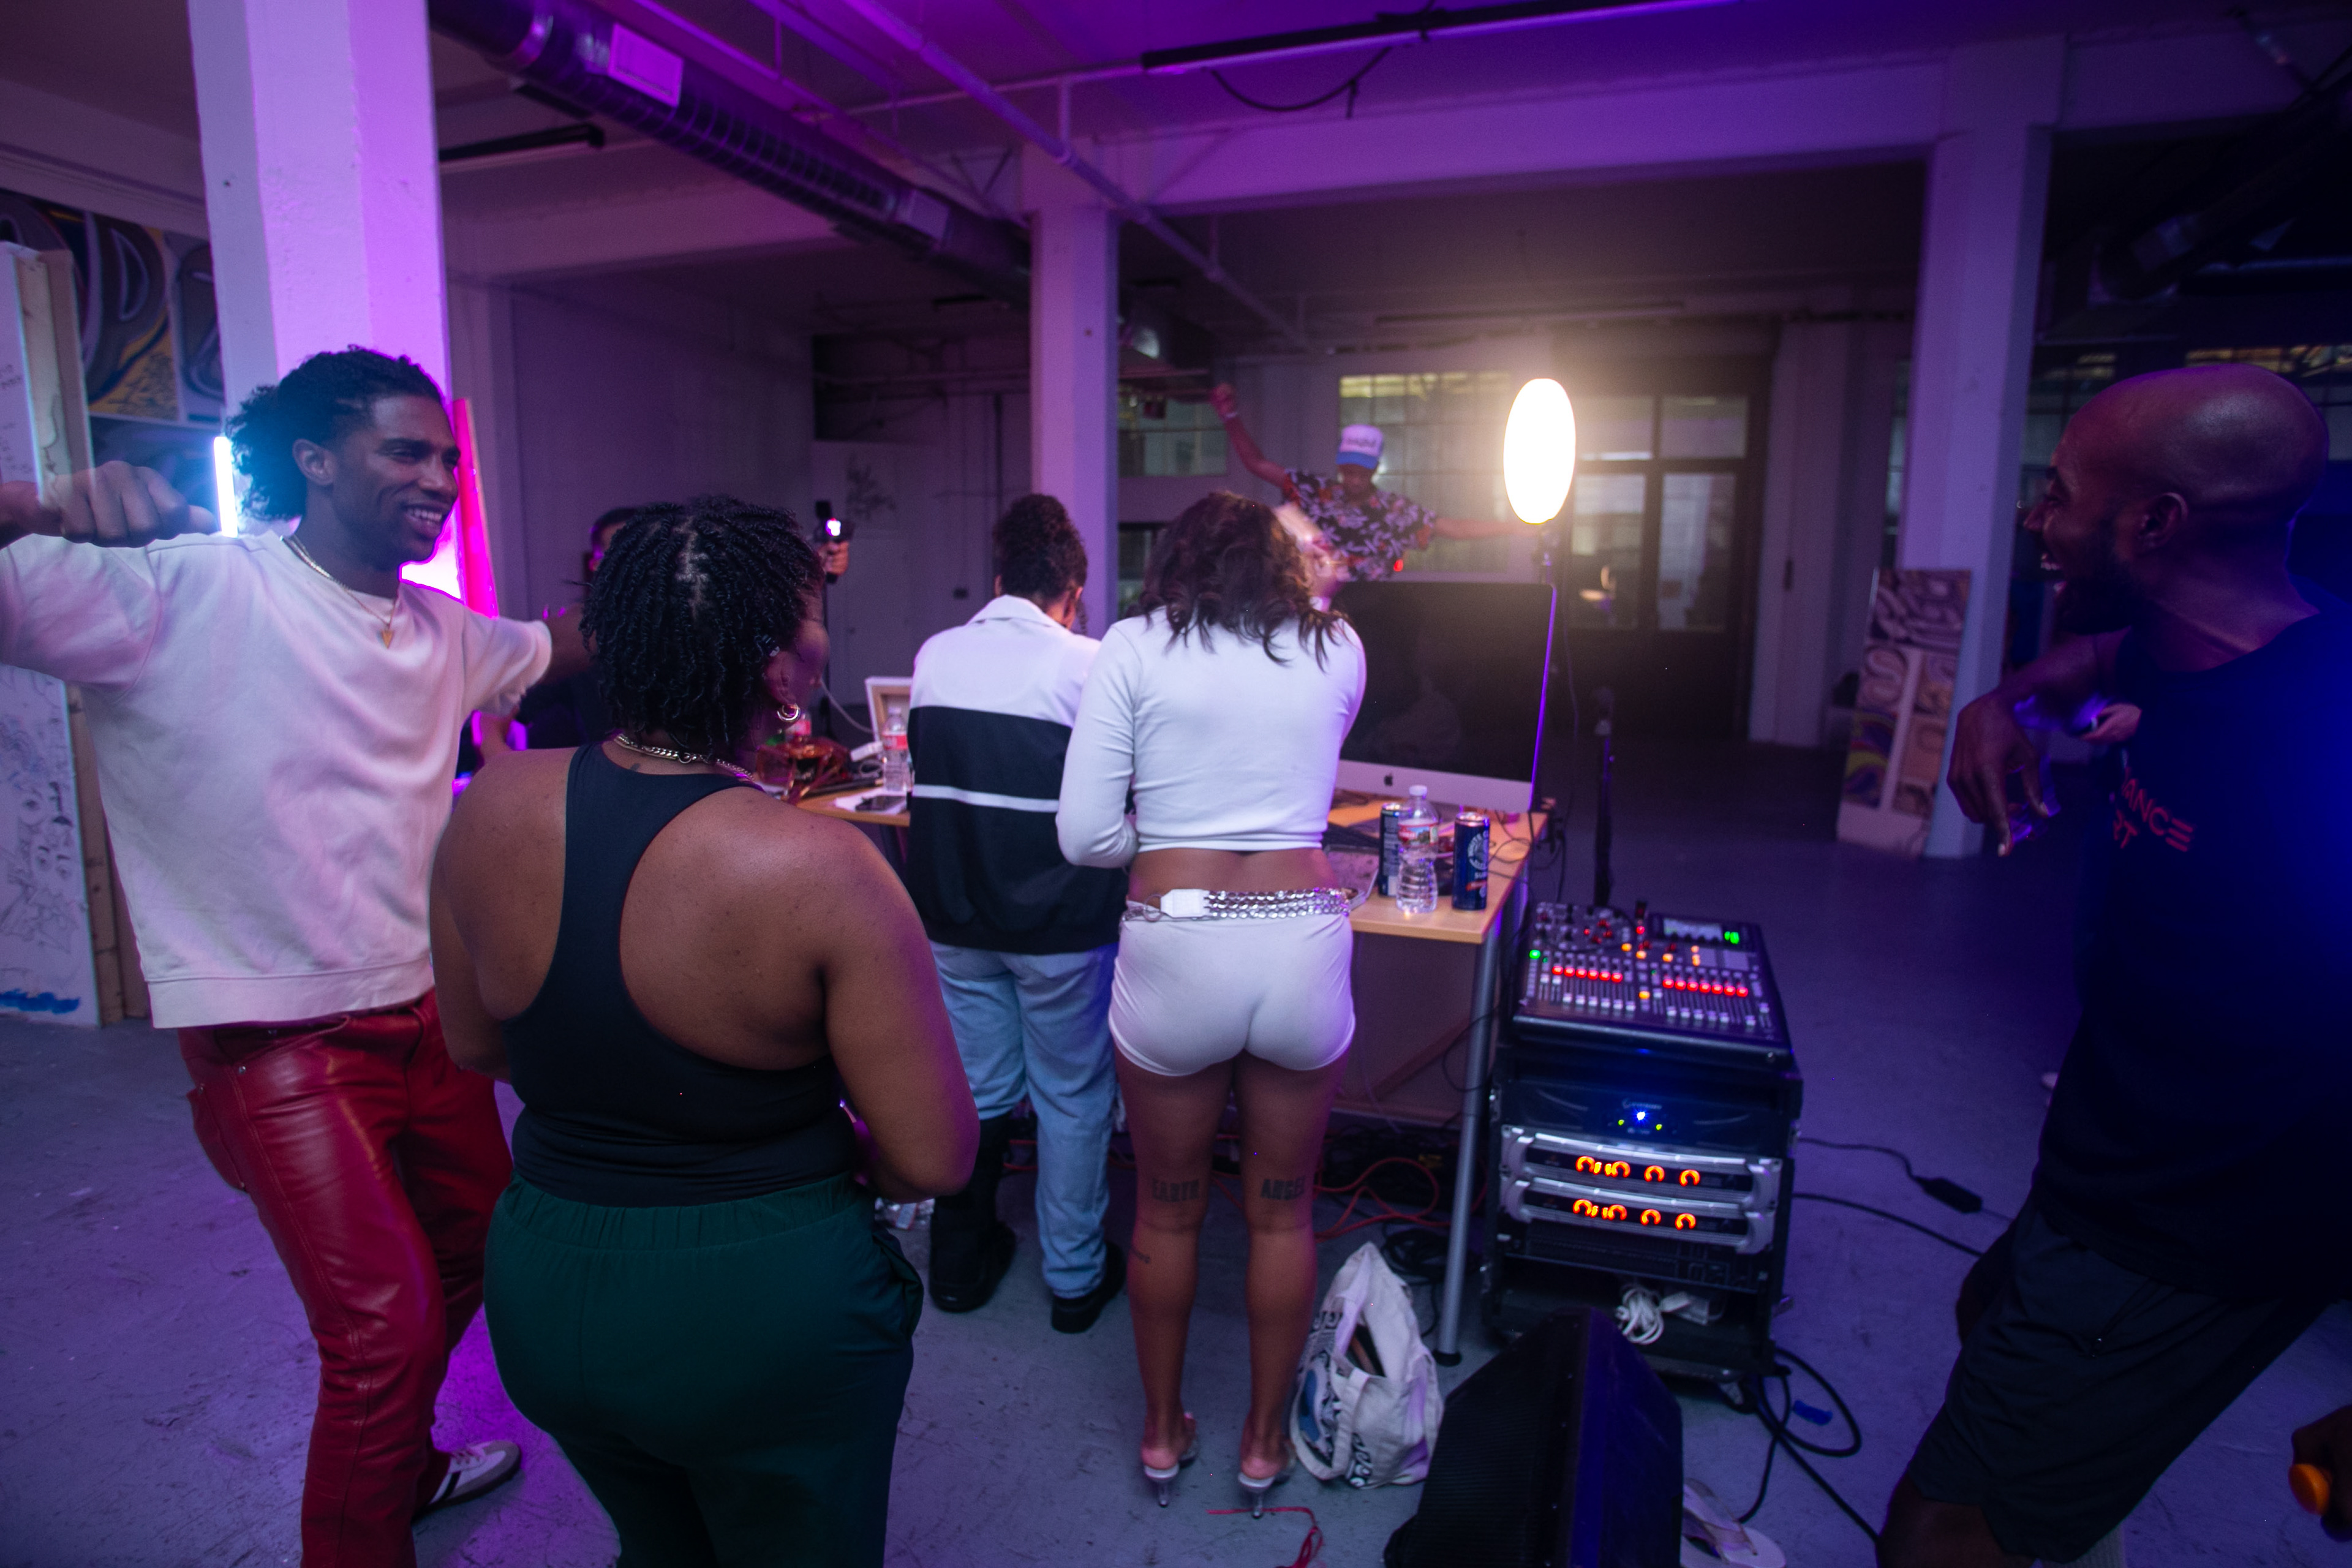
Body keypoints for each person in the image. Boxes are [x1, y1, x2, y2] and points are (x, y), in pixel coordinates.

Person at [0, 346, 590, 1567]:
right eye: (405, 452)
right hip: (280, 1044)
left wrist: (699, 572)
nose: (439, 479)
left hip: (430, 1018)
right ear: (312, 459)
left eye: (447, 458)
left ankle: (402, 1462)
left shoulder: (439, 628)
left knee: (481, 1251)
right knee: (380, 1330)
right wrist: (37, 507)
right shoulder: (178, 589)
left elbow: (557, 646)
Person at [429, 495, 976, 1566]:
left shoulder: (491, 804)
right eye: (814, 614)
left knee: (659, 1547)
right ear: (780, 670)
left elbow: (478, 1046)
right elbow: (935, 1157)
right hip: (754, 1311)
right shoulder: (824, 869)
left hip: (546, 1292)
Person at [1885, 363, 2352, 1566]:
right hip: (2117, 1147)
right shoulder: (2195, 641)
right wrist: (2007, 698)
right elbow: (2104, 656)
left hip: (2211, 1212)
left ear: (2154, 523)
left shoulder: (2316, 741)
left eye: (2059, 492)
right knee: (1990, 1308)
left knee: (1940, 1535)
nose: (2034, 517)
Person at [1057, 491, 1366, 1513]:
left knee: (1167, 1209)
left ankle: (1161, 1436)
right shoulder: (1337, 648)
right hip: (1299, 941)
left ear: (1173, 562)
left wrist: (1166, 837)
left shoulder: (1133, 648)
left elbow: (1084, 838)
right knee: (1282, 1217)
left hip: (1177, 943)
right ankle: (1265, 1447)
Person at [905, 494, 1131, 1328]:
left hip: (954, 922)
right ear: (1073, 592)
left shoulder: (935, 655)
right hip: (1060, 929)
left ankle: (958, 1269)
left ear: (999, 579)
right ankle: (1073, 1281)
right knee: (1070, 1096)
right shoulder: (1089, 664)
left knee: (977, 1091)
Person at [1210, 382, 1518, 579]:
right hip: (1309, 604)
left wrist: (1513, 528)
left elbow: (1454, 528)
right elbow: (1256, 464)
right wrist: (1231, 416)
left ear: (1375, 469)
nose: (1355, 479)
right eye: (1349, 471)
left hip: (1370, 610)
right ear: (1340, 466)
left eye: (1363, 472)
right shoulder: (1313, 491)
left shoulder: (1395, 511)